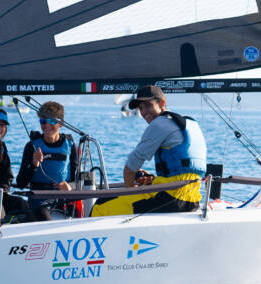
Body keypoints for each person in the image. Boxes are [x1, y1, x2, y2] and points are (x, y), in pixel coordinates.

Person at [91, 85, 207, 216]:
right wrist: (153, 179)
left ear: (162, 103)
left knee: (101, 205)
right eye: (140, 108)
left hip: (171, 199)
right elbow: (184, 170)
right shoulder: (190, 124)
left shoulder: (159, 123)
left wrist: (130, 191)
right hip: (193, 199)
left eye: (148, 105)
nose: (144, 112)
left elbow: (130, 168)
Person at [15, 101, 80, 221]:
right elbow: (20, 183)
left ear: (61, 123)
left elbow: (78, 180)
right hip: (40, 198)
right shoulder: (31, 146)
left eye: (51, 121)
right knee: (43, 215)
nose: (47, 125)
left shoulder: (70, 145)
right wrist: (34, 165)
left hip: (63, 198)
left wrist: (70, 186)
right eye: (43, 121)